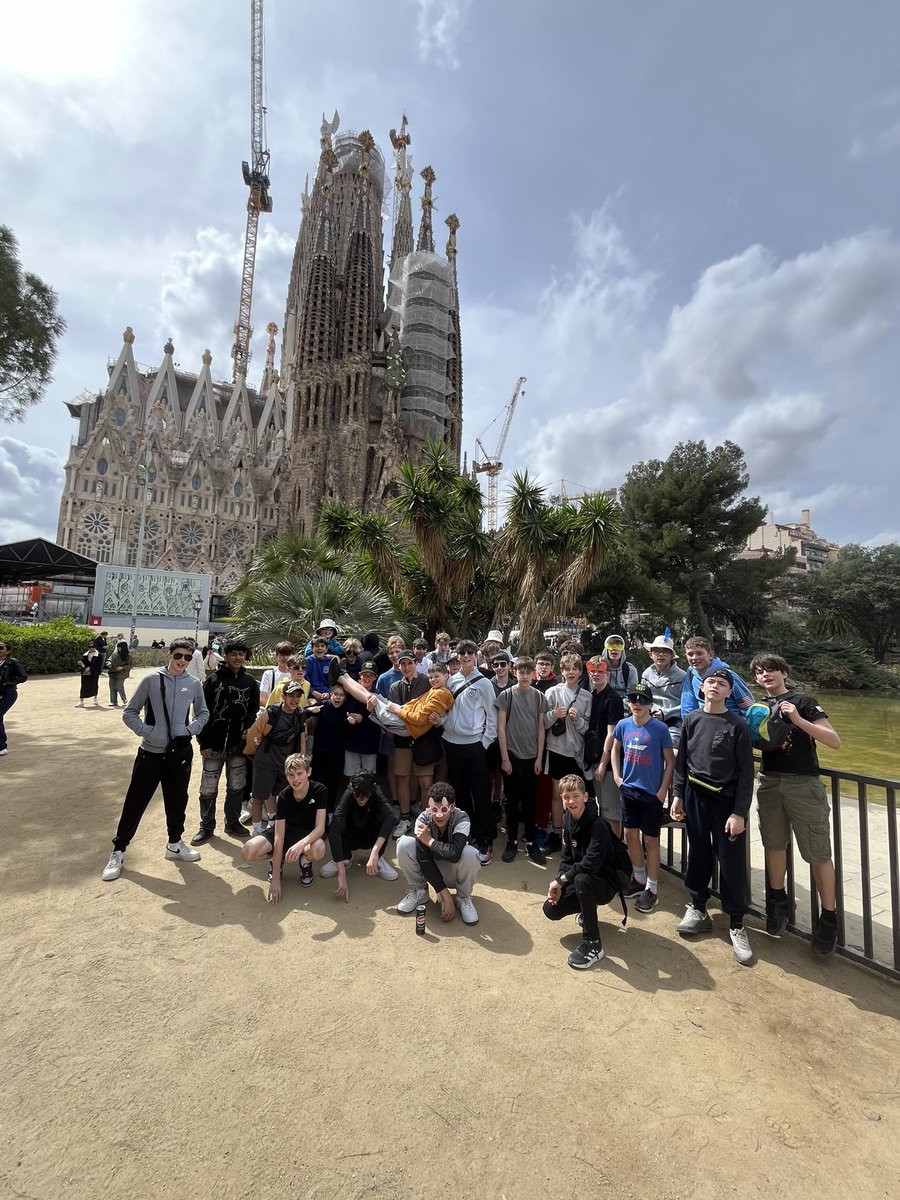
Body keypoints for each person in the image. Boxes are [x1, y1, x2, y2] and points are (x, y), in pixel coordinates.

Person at [750, 652, 843, 955]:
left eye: (772, 670)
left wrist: (798, 719)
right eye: (761, 672)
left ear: (784, 673)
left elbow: (833, 740)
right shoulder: (759, 707)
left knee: (817, 852)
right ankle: (777, 903)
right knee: (774, 845)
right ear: (756, 679)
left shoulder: (803, 701)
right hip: (769, 782)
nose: (767, 676)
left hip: (803, 783)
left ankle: (828, 918)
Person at [101, 638, 209, 881]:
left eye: (188, 658)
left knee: (178, 799)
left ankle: (174, 843)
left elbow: (203, 712)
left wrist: (190, 729)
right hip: (151, 752)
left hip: (180, 751)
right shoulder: (151, 680)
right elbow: (129, 712)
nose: (183, 661)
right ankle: (119, 849)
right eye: (179, 655)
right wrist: (149, 732)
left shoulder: (193, 684)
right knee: (136, 801)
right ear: (169, 654)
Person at [671, 668, 755, 964]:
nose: (715, 686)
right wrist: (678, 794)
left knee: (731, 861)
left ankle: (736, 923)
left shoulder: (737, 725)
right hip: (695, 796)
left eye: (722, 684)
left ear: (729, 692)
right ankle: (697, 906)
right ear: (701, 688)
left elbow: (747, 772)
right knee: (698, 854)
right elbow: (682, 762)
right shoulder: (692, 720)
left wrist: (739, 812)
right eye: (710, 682)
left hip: (726, 800)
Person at [611, 681, 675, 913]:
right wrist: (618, 777)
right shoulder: (623, 724)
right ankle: (638, 879)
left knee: (651, 839)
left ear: (649, 704)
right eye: (632, 699)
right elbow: (615, 749)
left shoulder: (659, 729)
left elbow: (670, 761)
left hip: (651, 793)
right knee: (630, 835)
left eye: (641, 700)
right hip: (629, 789)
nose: (636, 704)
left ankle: (652, 888)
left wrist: (661, 791)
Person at [542, 774, 616, 970]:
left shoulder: (598, 825)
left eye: (575, 796)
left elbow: (591, 864)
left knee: (583, 880)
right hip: (583, 879)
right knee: (550, 910)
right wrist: (560, 882)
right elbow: (566, 857)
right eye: (566, 797)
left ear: (585, 797)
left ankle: (594, 944)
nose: (571, 801)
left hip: (605, 884)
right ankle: (587, 909)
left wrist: (562, 880)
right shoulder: (567, 819)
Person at [191, 639, 259, 844]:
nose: (238, 658)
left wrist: (247, 728)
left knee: (237, 786)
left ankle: (232, 821)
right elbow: (201, 712)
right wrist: (203, 742)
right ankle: (207, 825)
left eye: (241, 654)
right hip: (214, 743)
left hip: (238, 745)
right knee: (208, 788)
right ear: (226, 656)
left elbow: (253, 710)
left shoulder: (249, 682)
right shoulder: (213, 681)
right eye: (234, 654)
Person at [440, 639, 498, 864]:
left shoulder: (484, 684)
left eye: (469, 652)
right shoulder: (451, 681)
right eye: (462, 652)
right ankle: (466, 833)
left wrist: (483, 744)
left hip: (475, 745)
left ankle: (486, 839)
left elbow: (491, 718)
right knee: (460, 794)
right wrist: (441, 722)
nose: (465, 656)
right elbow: (447, 711)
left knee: (481, 793)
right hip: (452, 745)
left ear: (476, 655)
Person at [240, 753, 328, 900]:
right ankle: (277, 860)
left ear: (309, 772)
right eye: (290, 775)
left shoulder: (320, 790)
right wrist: (275, 879)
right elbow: (279, 836)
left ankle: (305, 862)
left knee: (318, 848)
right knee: (247, 852)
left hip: (308, 835)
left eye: (299, 773)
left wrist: (300, 845)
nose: (295, 779)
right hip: (286, 832)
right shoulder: (284, 796)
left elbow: (320, 828)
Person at [396, 783, 481, 925]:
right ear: (429, 807)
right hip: (430, 870)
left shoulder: (462, 818)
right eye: (434, 809)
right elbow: (424, 859)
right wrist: (445, 895)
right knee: (404, 844)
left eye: (444, 809)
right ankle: (419, 891)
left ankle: (463, 898)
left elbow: (454, 854)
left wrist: (429, 841)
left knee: (470, 853)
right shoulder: (423, 819)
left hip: (453, 870)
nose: (439, 815)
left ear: (452, 807)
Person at [243, 682, 322, 833]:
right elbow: (254, 733)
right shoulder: (270, 713)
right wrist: (253, 749)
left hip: (285, 764)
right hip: (265, 761)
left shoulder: (299, 715)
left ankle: (274, 824)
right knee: (259, 797)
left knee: (281, 795)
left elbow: (301, 736)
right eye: (291, 695)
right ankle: (257, 829)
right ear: (283, 696)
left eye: (298, 696)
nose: (295, 699)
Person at [496, 656, 547, 864]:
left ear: (533, 673)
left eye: (528, 672)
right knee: (511, 800)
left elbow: (541, 728)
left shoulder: (539, 697)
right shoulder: (506, 695)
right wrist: (505, 759)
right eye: (521, 671)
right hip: (512, 755)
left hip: (532, 757)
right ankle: (511, 841)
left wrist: (539, 758)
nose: (525, 675)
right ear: (514, 672)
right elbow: (500, 728)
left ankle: (532, 842)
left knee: (530, 801)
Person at [542, 653, 592, 853]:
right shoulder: (552, 692)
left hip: (577, 752)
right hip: (556, 749)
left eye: (575, 668)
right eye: (567, 668)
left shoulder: (587, 697)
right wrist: (554, 715)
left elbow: (588, 729)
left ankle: (576, 836)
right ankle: (556, 833)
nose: (571, 672)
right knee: (557, 794)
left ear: (580, 671)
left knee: (576, 796)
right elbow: (543, 722)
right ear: (561, 671)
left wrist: (578, 720)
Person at [322, 771, 399, 895]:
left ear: (372, 789)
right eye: (358, 795)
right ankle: (344, 858)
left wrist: (374, 852)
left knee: (386, 818)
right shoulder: (348, 794)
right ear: (352, 789)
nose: (362, 799)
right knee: (337, 823)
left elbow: (391, 817)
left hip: (371, 834)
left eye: (366, 795)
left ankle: (378, 859)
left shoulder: (376, 791)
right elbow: (335, 829)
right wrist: (341, 875)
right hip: (351, 835)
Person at [583, 657, 625, 836]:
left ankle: (615, 852)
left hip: (606, 764)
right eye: (593, 671)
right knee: (603, 808)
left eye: (600, 671)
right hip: (593, 757)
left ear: (607, 674)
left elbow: (612, 734)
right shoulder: (592, 695)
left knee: (611, 812)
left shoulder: (613, 699)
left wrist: (602, 763)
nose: (596, 674)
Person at [681, 636, 753, 718]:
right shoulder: (691, 673)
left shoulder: (727, 675)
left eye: (699, 653)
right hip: (703, 723)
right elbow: (688, 703)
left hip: (730, 723)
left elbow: (748, 705)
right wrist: (688, 725)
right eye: (690, 654)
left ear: (710, 655)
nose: (694, 658)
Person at [309, 681, 349, 814]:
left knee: (333, 786)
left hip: (336, 755)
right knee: (317, 784)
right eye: (335, 694)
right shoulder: (323, 706)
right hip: (320, 753)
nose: (338, 697)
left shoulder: (346, 711)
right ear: (330, 695)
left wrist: (352, 722)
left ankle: (330, 813)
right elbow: (303, 712)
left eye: (341, 695)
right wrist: (310, 709)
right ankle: (315, 812)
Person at [642, 633, 687, 749]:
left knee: (668, 746)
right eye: (657, 650)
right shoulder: (646, 674)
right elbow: (642, 698)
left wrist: (665, 713)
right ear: (650, 654)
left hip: (673, 722)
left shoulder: (682, 676)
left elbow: (686, 705)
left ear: (671, 655)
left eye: (665, 651)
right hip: (648, 719)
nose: (661, 654)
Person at [341, 658, 381, 775]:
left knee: (369, 778)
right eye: (364, 675)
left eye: (370, 675)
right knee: (351, 778)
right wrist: (350, 721)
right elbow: (343, 717)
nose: (367, 678)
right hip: (352, 743)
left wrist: (363, 719)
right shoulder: (350, 694)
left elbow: (380, 722)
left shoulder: (378, 695)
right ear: (360, 675)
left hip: (370, 744)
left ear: (375, 677)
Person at [0, 641, 27, 756]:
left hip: (8, 693)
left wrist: (10, 683)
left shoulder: (12, 663)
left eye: (1, 647)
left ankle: (1, 746)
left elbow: (23, 676)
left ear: (8, 651)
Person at [600, 633, 638, 699]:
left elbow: (631, 694)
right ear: (606, 649)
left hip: (624, 707)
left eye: (619, 646)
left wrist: (620, 706)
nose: (614, 649)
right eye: (610, 646)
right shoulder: (599, 669)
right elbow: (595, 690)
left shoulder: (631, 670)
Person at [259, 641, 295, 706]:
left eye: (288, 655)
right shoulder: (269, 674)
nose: (285, 658)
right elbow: (262, 699)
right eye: (282, 655)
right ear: (276, 656)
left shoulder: (297, 673)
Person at [305, 636, 335, 702]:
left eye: (322, 646)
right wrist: (313, 692)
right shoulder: (308, 661)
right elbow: (305, 681)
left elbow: (332, 681)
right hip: (312, 693)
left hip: (327, 693)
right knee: (313, 703)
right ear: (312, 649)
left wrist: (328, 693)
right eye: (317, 646)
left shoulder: (330, 662)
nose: (319, 648)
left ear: (326, 649)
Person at [105, 639, 131, 708]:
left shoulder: (128, 656)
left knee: (119, 686)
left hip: (122, 673)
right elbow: (108, 660)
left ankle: (125, 700)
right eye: (118, 647)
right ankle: (113, 701)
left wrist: (122, 667)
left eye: (120, 647)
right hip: (112, 672)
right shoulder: (114, 654)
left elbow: (130, 665)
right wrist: (109, 664)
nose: (118, 649)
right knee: (112, 686)